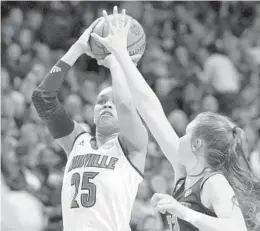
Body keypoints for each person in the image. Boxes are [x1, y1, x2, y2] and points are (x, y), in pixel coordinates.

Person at [91, 6, 260, 231]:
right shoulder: (185, 171)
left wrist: (182, 211)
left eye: (187, 133)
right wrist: (122, 57)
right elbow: (151, 110)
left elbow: (238, 228)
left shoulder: (213, 182)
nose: (180, 137)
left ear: (197, 144)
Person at [31, 17, 148, 231]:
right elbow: (42, 98)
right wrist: (78, 48)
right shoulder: (77, 142)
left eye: (111, 102)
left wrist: (115, 61)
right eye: (101, 101)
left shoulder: (134, 145)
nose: (107, 106)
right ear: (92, 114)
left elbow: (124, 102)